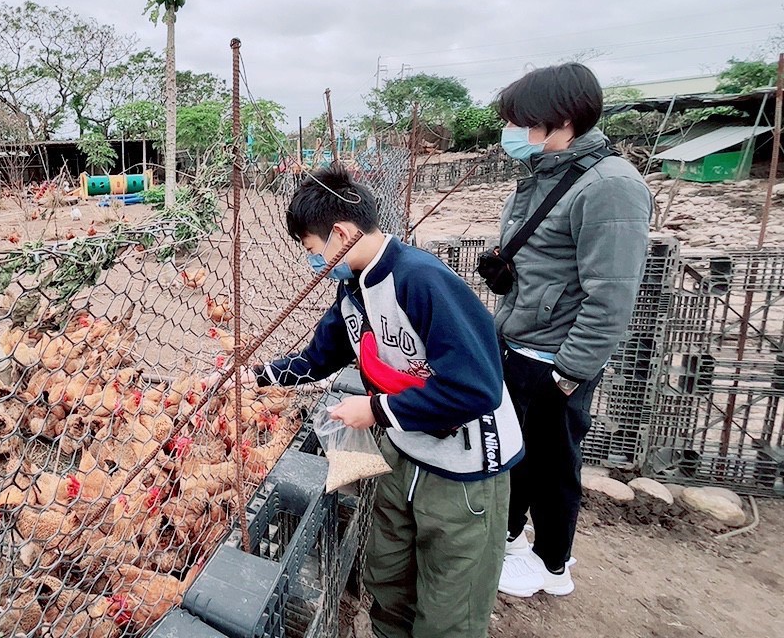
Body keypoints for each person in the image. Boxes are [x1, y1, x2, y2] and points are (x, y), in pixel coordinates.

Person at [245, 164, 525, 638]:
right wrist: (254, 377)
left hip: (466, 465)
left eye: (313, 250)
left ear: (340, 233)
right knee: (389, 579)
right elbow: (320, 357)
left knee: (449, 609)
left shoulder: (422, 281)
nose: (313, 262)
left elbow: (476, 388)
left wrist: (374, 411)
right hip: (406, 447)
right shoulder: (353, 289)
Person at [490, 63, 652, 598]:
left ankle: (552, 563)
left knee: (554, 463)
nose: (512, 132)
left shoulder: (611, 188)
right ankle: (514, 538)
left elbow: (611, 294)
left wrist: (571, 372)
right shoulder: (544, 171)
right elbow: (548, 260)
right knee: (517, 451)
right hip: (520, 343)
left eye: (521, 121)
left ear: (561, 121)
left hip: (555, 357)